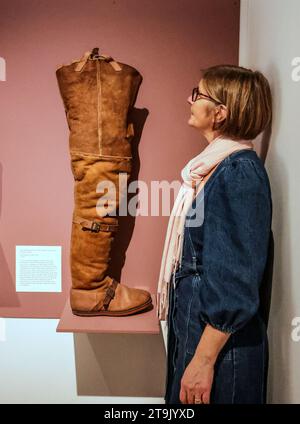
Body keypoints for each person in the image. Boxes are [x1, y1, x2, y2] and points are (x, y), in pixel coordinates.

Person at [156, 65, 273, 404]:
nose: (189, 98)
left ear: (221, 112)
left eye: (199, 94)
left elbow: (236, 278)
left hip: (222, 350)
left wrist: (203, 361)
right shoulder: (213, 168)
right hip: (199, 329)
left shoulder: (238, 173)